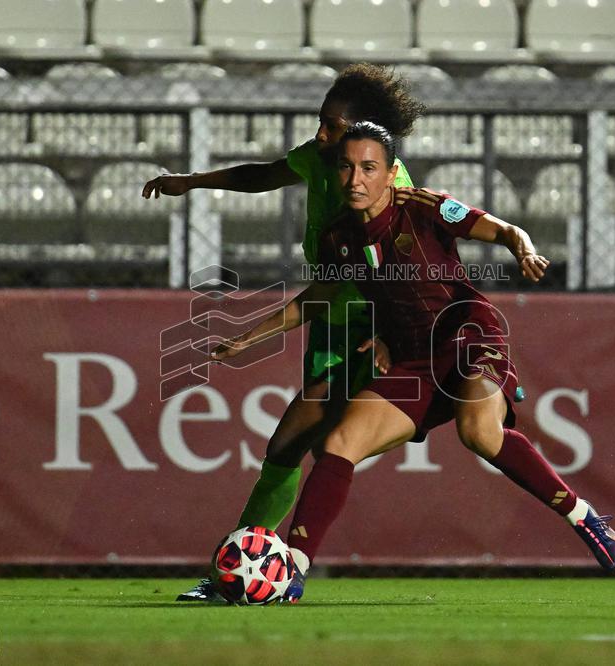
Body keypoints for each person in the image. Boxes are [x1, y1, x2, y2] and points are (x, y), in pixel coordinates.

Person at [213, 122, 615, 602]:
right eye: (347, 168)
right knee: (340, 443)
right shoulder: (338, 238)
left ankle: (583, 515)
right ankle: (294, 570)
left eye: (369, 168)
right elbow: (315, 298)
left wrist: (524, 248)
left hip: (469, 336)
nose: (355, 179)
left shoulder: (424, 207)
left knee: (478, 432)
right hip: (412, 359)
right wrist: (249, 337)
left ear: (391, 175)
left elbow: (505, 230)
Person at [143, 65, 426, 602]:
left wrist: (395, 334)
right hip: (335, 326)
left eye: (331, 126)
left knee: (298, 443)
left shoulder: (388, 192)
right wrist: (195, 182)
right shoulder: (328, 158)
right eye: (321, 125)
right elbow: (267, 173)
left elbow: (409, 277)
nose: (320, 135)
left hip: (377, 331)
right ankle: (263, 572)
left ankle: (260, 573)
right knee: (302, 447)